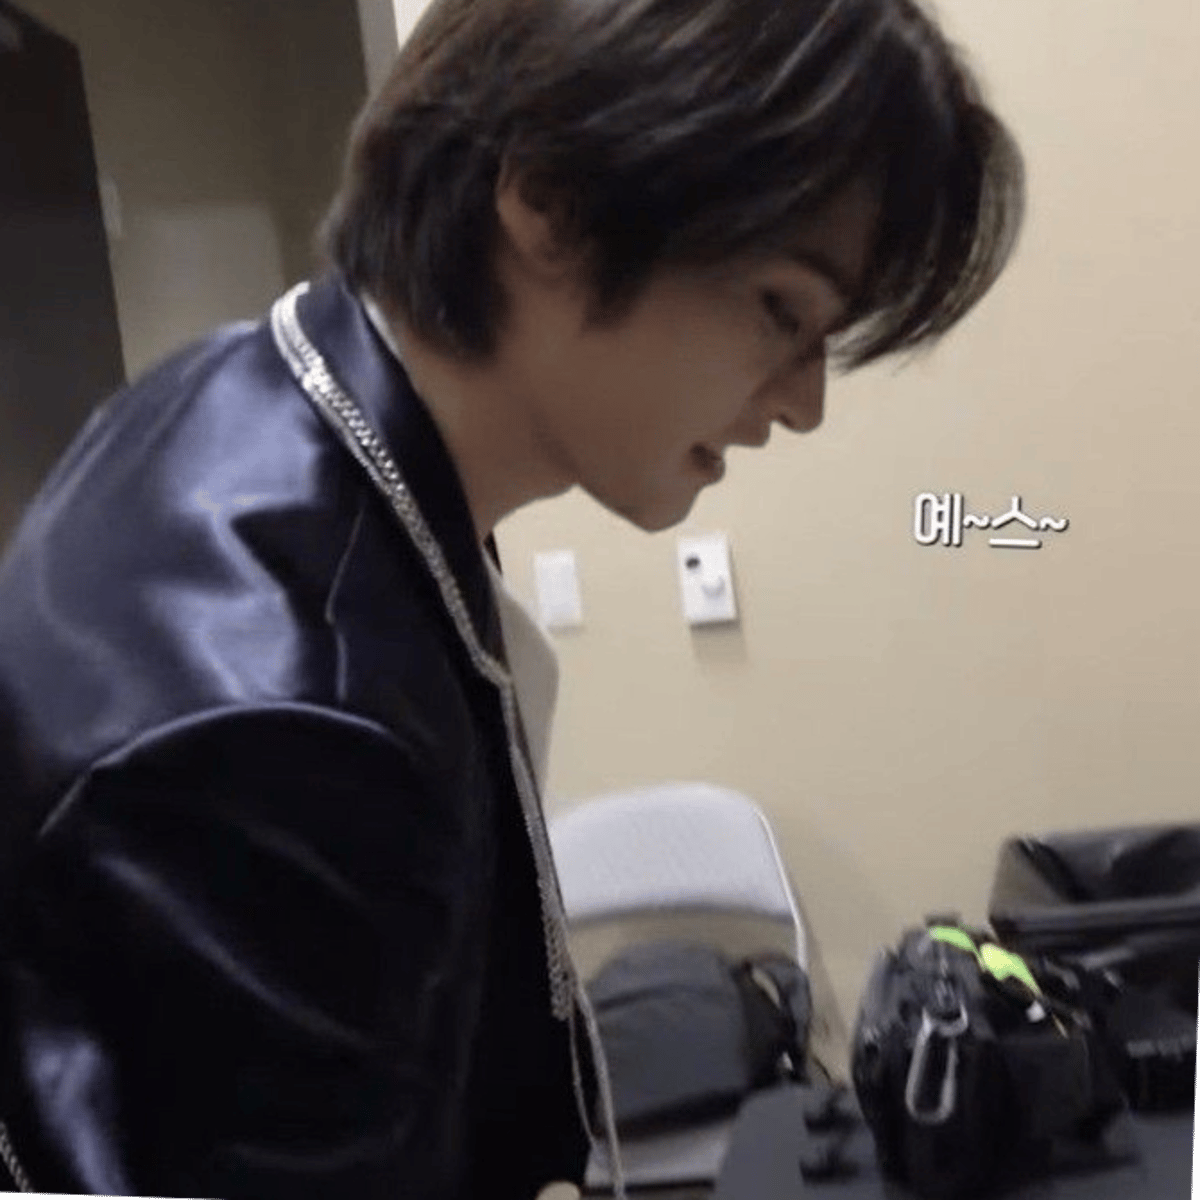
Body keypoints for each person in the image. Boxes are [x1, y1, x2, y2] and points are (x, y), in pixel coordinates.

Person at [0, 0, 1024, 1195]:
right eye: (781, 310)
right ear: (554, 201)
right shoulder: (292, 728)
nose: (804, 403)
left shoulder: (245, 396)